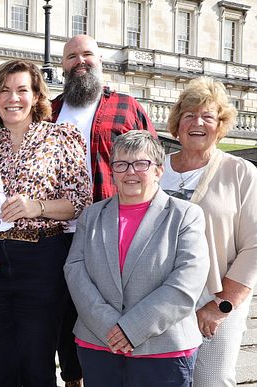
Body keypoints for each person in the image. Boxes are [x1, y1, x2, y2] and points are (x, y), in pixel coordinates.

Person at [0, 60, 91, 386]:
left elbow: (80, 202)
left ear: (36, 96)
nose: (13, 98)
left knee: (37, 363)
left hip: (42, 262)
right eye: (4, 90)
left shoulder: (62, 137)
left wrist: (36, 206)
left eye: (22, 89)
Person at [51, 34, 158, 387]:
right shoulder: (49, 109)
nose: (79, 62)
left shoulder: (126, 106)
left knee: (107, 306)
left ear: (100, 60)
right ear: (63, 64)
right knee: (65, 312)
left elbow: (153, 163)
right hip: (56, 230)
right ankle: (72, 378)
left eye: (87, 55)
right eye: (71, 57)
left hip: (109, 232)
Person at [64, 130, 209, 387]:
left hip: (163, 349)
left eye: (141, 163)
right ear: (113, 170)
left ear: (158, 171)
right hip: (99, 344)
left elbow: (187, 283)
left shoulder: (186, 215)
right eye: (121, 164)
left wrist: (132, 329)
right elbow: (75, 270)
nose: (130, 172)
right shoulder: (91, 215)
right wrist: (109, 325)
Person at [159, 77, 257, 387]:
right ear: (177, 123)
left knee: (211, 381)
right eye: (189, 115)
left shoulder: (240, 172)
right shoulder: (156, 169)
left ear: (221, 124)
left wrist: (222, 305)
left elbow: (255, 245)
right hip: (158, 299)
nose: (197, 122)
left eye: (208, 116)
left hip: (214, 299)